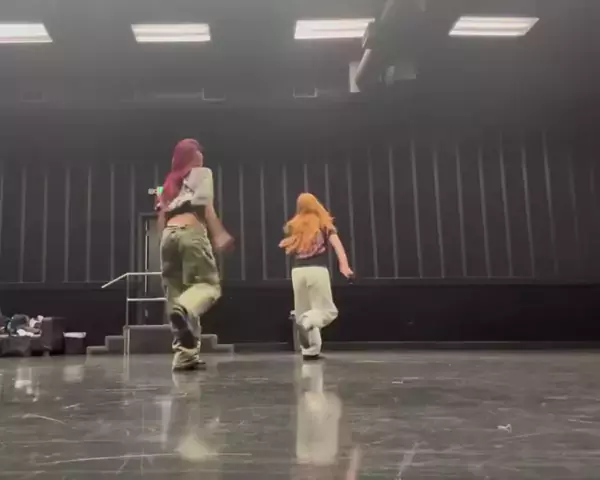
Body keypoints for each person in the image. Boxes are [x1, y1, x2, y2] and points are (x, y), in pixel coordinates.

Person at [157, 139, 233, 372]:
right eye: (199, 151)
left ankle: (185, 356)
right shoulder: (202, 173)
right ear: (193, 156)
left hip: (168, 236)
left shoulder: (166, 184)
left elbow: (161, 216)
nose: (202, 155)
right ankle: (182, 309)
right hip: (191, 230)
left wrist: (165, 242)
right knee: (208, 286)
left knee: (177, 293)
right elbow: (206, 206)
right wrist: (219, 233)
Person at [280, 193, 353, 361]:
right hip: (317, 270)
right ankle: (308, 320)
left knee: (304, 310)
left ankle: (310, 350)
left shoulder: (293, 225)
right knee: (326, 311)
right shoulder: (323, 223)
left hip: (297, 272)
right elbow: (337, 246)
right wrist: (345, 267)